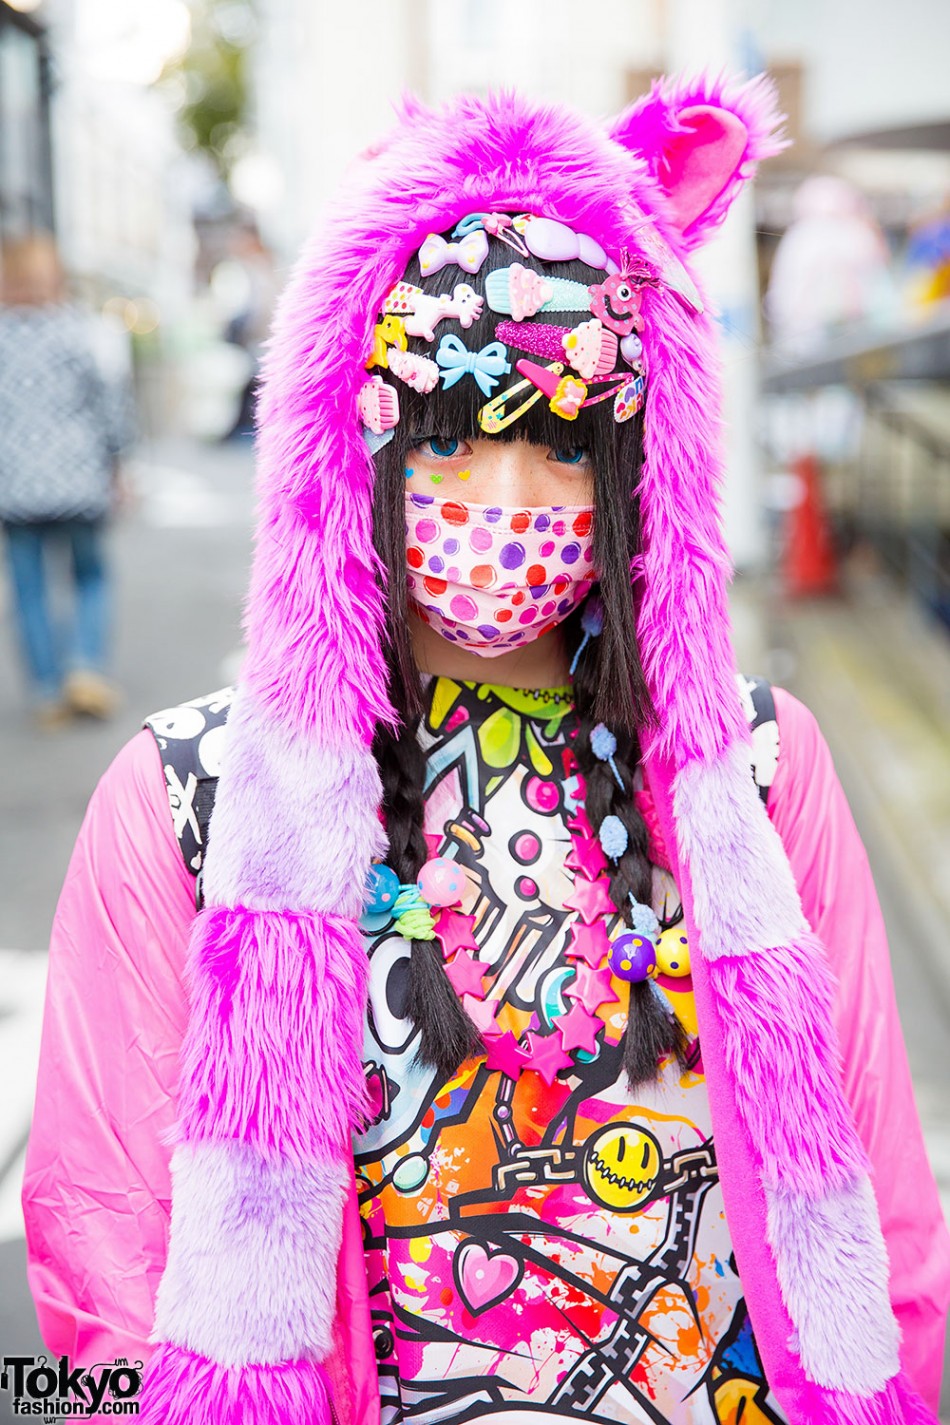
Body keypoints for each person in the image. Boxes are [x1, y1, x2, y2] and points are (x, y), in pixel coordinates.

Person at [22, 76, 950, 1425]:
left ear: (639, 468)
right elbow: (103, 1271)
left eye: (564, 449)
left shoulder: (758, 772)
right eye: (451, 437)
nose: (507, 503)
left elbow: (881, 1208)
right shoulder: (188, 803)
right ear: (353, 435)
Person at [0, 232, 132, 728]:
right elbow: (112, 405)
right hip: (79, 480)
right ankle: (85, 665)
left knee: (29, 588)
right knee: (90, 575)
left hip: (14, 488)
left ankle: (47, 689)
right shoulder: (80, 332)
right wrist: (119, 462)